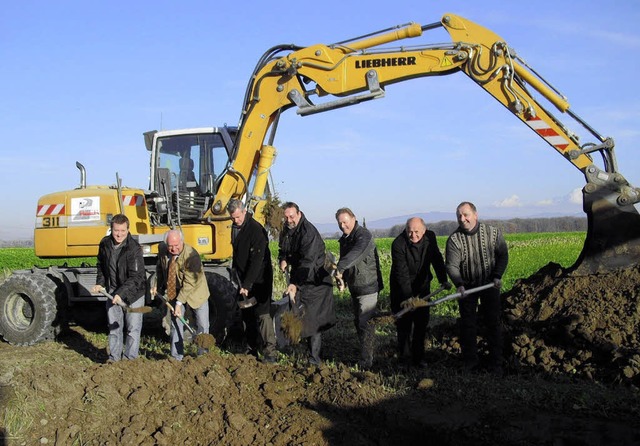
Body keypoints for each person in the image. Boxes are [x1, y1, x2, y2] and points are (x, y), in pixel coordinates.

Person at [445, 201, 509, 376]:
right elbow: (451, 266)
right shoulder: (454, 240)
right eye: (459, 215)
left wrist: (497, 275)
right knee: (468, 325)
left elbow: (503, 255)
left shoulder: (492, 233)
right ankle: (470, 362)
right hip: (467, 287)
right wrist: (459, 284)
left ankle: (496, 362)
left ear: (475, 215)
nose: (462, 219)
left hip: (490, 284)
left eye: (466, 214)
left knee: (493, 323)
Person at [278, 202, 336, 366]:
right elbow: (284, 248)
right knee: (303, 315)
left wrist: (295, 283)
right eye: (286, 217)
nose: (289, 220)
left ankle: (314, 360)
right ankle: (309, 351)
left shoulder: (308, 232)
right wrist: (283, 259)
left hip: (315, 280)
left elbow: (307, 262)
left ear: (299, 214)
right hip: (303, 278)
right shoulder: (287, 230)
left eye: (292, 216)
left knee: (314, 320)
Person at [389, 217, 449, 368]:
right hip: (401, 289)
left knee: (421, 323)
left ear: (424, 230)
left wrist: (443, 279)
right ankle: (404, 359)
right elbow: (401, 274)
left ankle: (419, 357)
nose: (413, 235)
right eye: (410, 232)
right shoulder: (398, 244)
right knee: (404, 325)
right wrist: (409, 298)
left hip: (422, 287)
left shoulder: (430, 237)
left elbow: (436, 258)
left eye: (417, 232)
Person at [227, 199, 277, 363]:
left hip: (259, 280)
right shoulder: (236, 228)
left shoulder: (255, 230)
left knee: (262, 315)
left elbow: (257, 260)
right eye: (232, 218)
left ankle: (270, 352)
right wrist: (236, 274)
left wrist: (248, 284)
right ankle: (251, 348)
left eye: (238, 217)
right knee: (247, 315)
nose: (235, 221)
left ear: (244, 211)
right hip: (243, 282)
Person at [92, 214, 146, 362]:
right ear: (111, 229)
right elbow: (101, 266)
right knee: (114, 328)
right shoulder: (105, 244)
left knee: (132, 329)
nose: (119, 234)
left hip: (134, 294)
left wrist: (121, 294)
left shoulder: (134, 249)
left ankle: (130, 359)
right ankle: (114, 359)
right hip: (112, 292)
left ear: (128, 230)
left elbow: (136, 277)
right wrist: (100, 283)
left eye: (123, 230)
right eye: (116, 230)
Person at [334, 208, 384, 369]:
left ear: (353, 219)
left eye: (345, 222)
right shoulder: (345, 239)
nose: (343, 226)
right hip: (355, 287)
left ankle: (367, 362)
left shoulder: (364, 236)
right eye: (340, 223)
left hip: (368, 286)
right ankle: (366, 353)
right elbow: (345, 260)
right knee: (359, 323)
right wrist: (343, 280)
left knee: (365, 323)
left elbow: (355, 254)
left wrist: (340, 268)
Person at [152, 229, 210, 361]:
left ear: (182, 241)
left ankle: (204, 356)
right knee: (175, 323)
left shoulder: (191, 256)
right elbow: (161, 269)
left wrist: (179, 303)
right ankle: (176, 357)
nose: (173, 249)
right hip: (175, 289)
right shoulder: (162, 248)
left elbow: (190, 282)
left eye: (177, 245)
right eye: (170, 246)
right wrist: (157, 285)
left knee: (202, 325)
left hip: (196, 292)